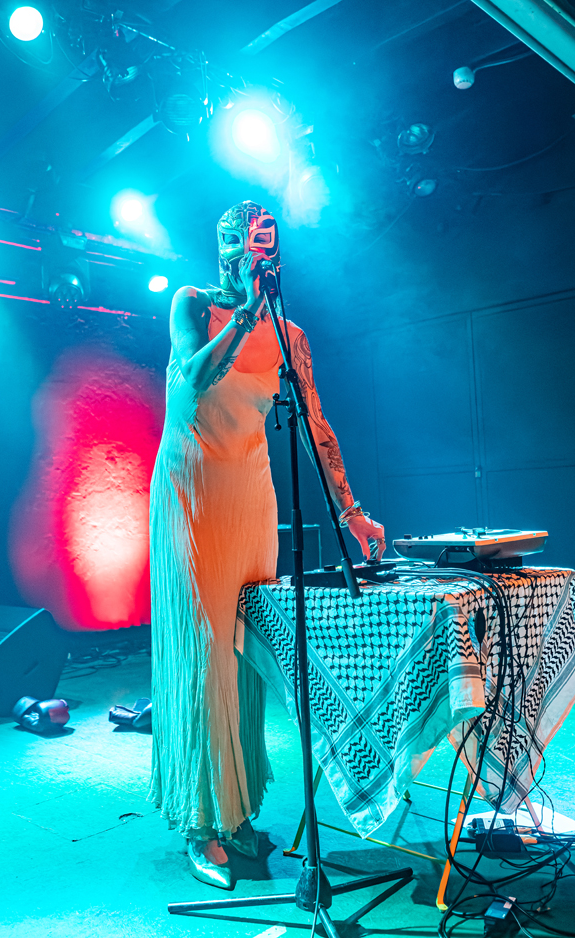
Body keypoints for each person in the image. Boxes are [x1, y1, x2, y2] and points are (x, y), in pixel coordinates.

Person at [148, 200, 385, 890]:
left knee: (245, 656)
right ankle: (201, 823)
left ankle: (239, 812)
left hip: (252, 497)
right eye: (250, 244)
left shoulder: (291, 335)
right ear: (226, 250)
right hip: (192, 493)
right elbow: (193, 381)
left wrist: (352, 512)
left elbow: (315, 425)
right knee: (205, 658)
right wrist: (247, 313)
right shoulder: (193, 305)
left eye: (269, 245)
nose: (262, 256)